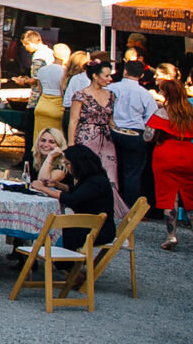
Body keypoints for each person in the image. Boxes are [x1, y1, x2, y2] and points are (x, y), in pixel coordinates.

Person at [66, 61, 126, 220]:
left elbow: (111, 120)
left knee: (110, 177)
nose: (109, 79)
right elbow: (73, 121)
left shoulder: (111, 95)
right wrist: (71, 146)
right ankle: (82, 213)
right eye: (106, 75)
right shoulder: (81, 95)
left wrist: (122, 132)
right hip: (86, 137)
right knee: (84, 174)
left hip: (106, 139)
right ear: (95, 76)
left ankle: (109, 216)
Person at [147, 78, 193, 250]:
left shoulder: (162, 112)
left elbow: (147, 136)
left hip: (165, 154)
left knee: (169, 197)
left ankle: (171, 236)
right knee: (190, 197)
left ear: (166, 94)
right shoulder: (190, 111)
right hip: (188, 153)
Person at [43, 144, 116, 251]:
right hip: (93, 226)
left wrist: (43, 189)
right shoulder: (93, 177)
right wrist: (58, 185)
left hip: (99, 230)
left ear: (78, 164)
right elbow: (79, 191)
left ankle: (63, 262)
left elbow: (72, 199)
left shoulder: (95, 181)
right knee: (54, 230)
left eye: (67, 164)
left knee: (54, 232)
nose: (67, 167)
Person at [106, 61, 158, 211]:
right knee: (132, 173)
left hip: (113, 130)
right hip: (135, 133)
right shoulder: (145, 94)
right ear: (141, 75)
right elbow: (151, 118)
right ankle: (129, 208)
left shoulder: (111, 88)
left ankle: (111, 204)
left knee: (110, 168)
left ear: (125, 71)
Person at [30, 44, 71, 149]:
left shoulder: (42, 70)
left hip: (42, 105)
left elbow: (40, 90)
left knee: (40, 138)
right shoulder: (64, 71)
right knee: (55, 141)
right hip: (56, 107)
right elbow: (63, 91)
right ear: (66, 56)